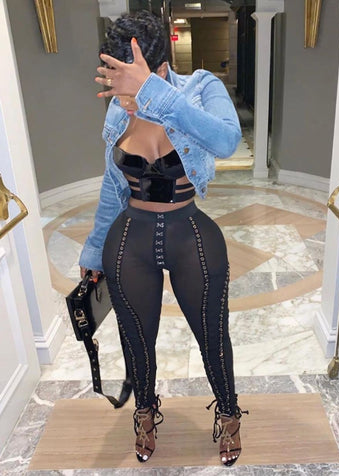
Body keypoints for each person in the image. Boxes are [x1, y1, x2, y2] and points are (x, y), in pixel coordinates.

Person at [79, 10, 247, 466]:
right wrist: (94, 249)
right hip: (129, 238)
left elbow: (227, 140)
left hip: (189, 231)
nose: (122, 96)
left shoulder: (200, 88)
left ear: (156, 67)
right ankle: (145, 413)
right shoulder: (118, 104)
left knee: (212, 335)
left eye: (128, 83)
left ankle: (229, 413)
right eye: (114, 81)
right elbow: (112, 185)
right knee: (136, 340)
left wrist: (153, 95)